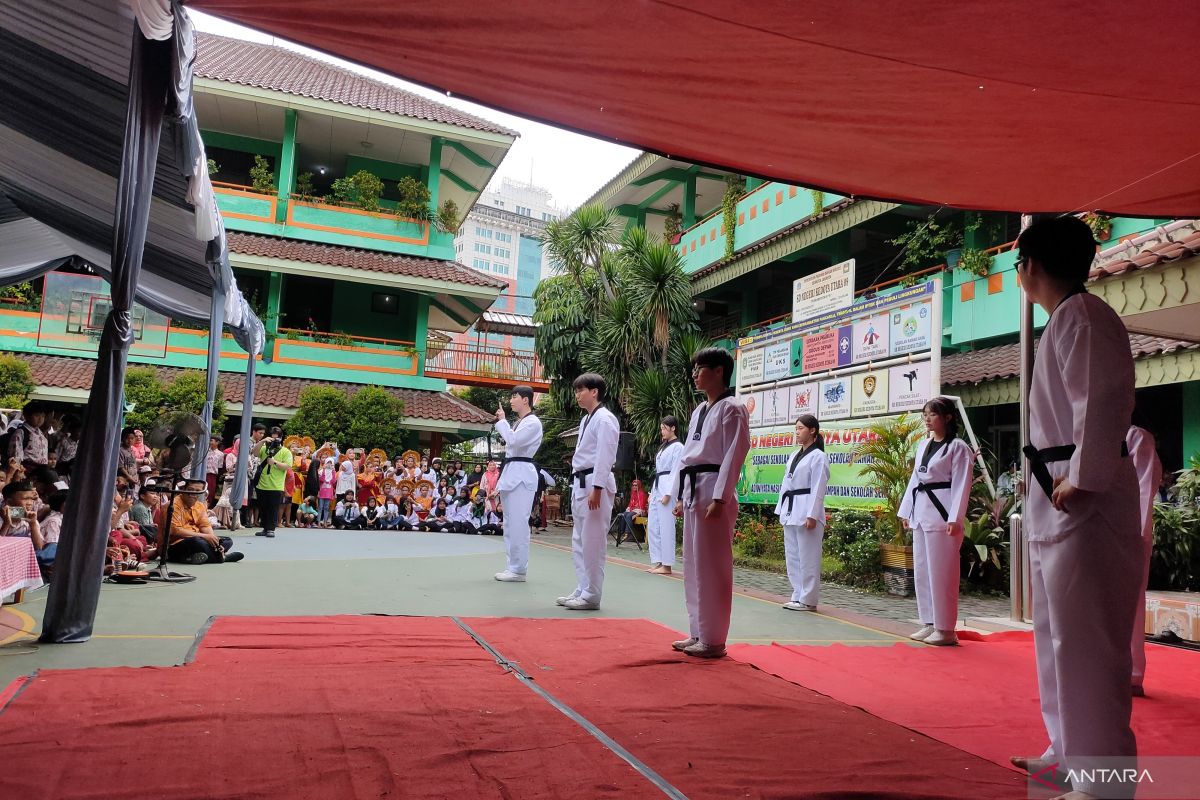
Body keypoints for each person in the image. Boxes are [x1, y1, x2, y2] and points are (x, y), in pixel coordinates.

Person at [1010, 216, 1142, 800]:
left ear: (1030, 266)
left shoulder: (1084, 317)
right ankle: (1067, 754)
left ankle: (1105, 780)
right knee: (1057, 636)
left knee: (1087, 641)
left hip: (1083, 497)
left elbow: (1103, 400)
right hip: (1057, 494)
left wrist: (1084, 479)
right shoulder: (1065, 320)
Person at [670, 347, 751, 658]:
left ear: (719, 371)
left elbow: (735, 452)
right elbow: (687, 453)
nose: (694, 374)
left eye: (700, 368)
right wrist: (679, 494)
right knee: (693, 564)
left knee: (712, 565)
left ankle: (714, 639)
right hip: (693, 487)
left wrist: (721, 496)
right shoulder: (699, 410)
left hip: (713, 487)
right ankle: (698, 632)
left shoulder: (733, 408)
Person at [896, 398, 973, 646]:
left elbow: (962, 484)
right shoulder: (924, 445)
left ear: (948, 417)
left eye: (932, 414)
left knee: (942, 573)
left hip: (943, 513)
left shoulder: (958, 447)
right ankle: (929, 621)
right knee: (922, 571)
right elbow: (915, 481)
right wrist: (906, 511)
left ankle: (946, 628)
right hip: (921, 512)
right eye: (925, 414)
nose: (927, 419)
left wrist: (955, 518)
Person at [556, 373, 620, 611]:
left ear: (594, 392)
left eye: (580, 390)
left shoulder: (605, 419)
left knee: (593, 540)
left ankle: (592, 594)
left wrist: (598, 487)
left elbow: (605, 455)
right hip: (581, 482)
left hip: (595, 481)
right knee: (580, 540)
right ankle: (584, 587)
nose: (577, 394)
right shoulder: (586, 420)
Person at [774, 414, 831, 611]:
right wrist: (781, 510)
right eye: (796, 428)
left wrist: (812, 515)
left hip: (807, 509)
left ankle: (808, 599)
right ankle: (797, 594)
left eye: (800, 428)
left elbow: (818, 487)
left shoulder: (819, 457)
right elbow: (786, 484)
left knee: (808, 557)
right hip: (791, 509)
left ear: (812, 430)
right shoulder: (793, 455)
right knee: (793, 556)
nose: (797, 432)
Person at [493, 384, 544, 583]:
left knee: (519, 523)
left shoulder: (533, 422)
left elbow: (513, 442)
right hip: (513, 472)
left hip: (522, 473)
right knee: (509, 523)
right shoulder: (519, 422)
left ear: (525, 399)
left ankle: (518, 568)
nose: (511, 400)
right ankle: (512, 566)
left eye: (514, 396)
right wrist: (505, 423)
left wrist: (503, 422)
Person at [1126, 425, 1163, 697]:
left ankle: (1131, 675)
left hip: (1130, 536)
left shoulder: (1137, 438)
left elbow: (1143, 488)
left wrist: (1133, 537)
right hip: (1100, 532)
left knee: (1131, 605)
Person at [166, 479, 243, 565]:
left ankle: (192, 557)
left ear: (201, 493)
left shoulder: (200, 505)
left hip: (198, 538)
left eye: (197, 491)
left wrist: (214, 541)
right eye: (190, 489)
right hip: (175, 544)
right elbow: (175, 531)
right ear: (184, 489)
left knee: (227, 541)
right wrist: (205, 536)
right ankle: (222, 557)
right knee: (198, 543)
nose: (193, 493)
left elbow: (205, 526)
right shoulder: (173, 504)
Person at [647, 416, 684, 575]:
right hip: (657, 486)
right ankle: (659, 561)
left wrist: (669, 493)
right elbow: (658, 471)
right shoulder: (663, 447)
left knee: (666, 525)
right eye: (661, 428)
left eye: (664, 428)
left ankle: (667, 565)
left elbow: (676, 470)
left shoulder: (678, 447)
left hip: (668, 486)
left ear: (673, 428)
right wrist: (652, 492)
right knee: (654, 525)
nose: (662, 431)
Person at [254, 427, 292, 538]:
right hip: (262, 483)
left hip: (276, 485)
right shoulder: (264, 448)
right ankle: (265, 528)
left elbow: (287, 466)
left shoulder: (285, 451)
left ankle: (271, 529)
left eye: (277, 438)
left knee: (273, 508)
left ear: (281, 438)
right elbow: (255, 453)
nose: (275, 440)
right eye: (272, 438)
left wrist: (274, 462)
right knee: (263, 507)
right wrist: (262, 441)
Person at [6, 402, 49, 471]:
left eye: (43, 416)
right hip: (27, 471)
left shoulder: (41, 434)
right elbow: (16, 456)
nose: (40, 419)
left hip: (41, 471)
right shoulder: (21, 433)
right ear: (26, 416)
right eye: (37, 415)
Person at [615, 478, 647, 545]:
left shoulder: (642, 494)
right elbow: (630, 504)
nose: (634, 486)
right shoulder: (633, 494)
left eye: (636, 485)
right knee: (623, 515)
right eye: (633, 485)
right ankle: (620, 533)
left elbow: (642, 507)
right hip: (633, 510)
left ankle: (627, 534)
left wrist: (634, 514)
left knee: (629, 516)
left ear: (639, 486)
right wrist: (629, 510)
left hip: (640, 511)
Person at [204, 436, 223, 506]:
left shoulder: (220, 454)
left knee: (210, 492)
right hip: (204, 474)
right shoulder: (206, 452)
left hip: (213, 475)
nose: (210, 442)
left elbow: (220, 466)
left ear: (217, 442)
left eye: (212, 441)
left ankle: (207, 506)